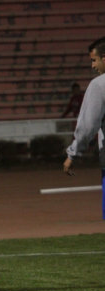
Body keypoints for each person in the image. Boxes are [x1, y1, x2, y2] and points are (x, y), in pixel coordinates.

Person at [63, 37, 105, 220]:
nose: (93, 66)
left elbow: (88, 127)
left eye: (94, 60)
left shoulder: (99, 85)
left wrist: (73, 153)